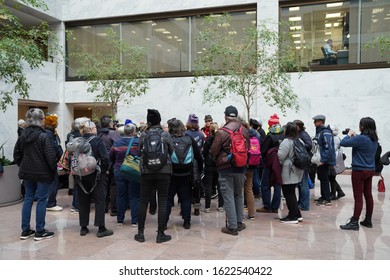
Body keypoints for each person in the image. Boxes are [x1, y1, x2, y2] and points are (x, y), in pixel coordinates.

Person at [14, 108, 57, 241]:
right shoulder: (43, 136)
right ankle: (40, 231)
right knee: (42, 200)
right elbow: (50, 157)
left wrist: (24, 165)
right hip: (42, 173)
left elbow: (16, 155)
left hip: (27, 173)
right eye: (43, 119)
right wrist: (53, 170)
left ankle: (25, 230)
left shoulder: (22, 136)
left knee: (28, 199)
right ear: (39, 120)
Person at [134, 109, 173, 243]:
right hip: (164, 171)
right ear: (160, 120)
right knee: (162, 201)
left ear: (148, 121)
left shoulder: (143, 135)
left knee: (143, 201)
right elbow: (171, 151)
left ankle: (140, 233)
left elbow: (139, 152)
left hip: (146, 171)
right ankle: (160, 234)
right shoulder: (165, 134)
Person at [210, 105, 249, 235]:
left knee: (228, 197)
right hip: (241, 167)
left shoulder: (221, 132)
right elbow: (247, 148)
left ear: (225, 116)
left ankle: (232, 227)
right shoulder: (244, 130)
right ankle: (239, 222)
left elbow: (213, 151)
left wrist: (217, 160)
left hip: (226, 168)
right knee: (238, 194)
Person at [73, 120, 113, 238]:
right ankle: (101, 228)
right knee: (100, 200)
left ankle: (84, 227)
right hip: (97, 175)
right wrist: (105, 170)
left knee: (83, 200)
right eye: (95, 127)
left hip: (80, 175)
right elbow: (105, 158)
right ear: (91, 129)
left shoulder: (77, 142)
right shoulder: (97, 140)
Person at [339, 117, 378, 230]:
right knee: (368, 195)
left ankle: (354, 222)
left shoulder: (361, 138)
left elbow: (343, 142)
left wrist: (349, 134)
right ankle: (368, 220)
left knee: (358, 197)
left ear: (363, 126)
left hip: (359, 171)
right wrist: (355, 136)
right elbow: (362, 145)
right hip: (370, 170)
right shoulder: (374, 139)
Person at [166, 118, 203, 229]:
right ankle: (187, 222)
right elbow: (198, 157)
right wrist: (199, 171)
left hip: (171, 174)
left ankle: (164, 222)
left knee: (168, 198)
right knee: (186, 198)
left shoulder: (168, 139)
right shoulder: (189, 139)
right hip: (186, 174)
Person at [109, 123, 140, 227]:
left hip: (119, 170)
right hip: (133, 171)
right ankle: (135, 221)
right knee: (134, 196)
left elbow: (111, 156)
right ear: (133, 132)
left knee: (121, 195)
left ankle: (120, 220)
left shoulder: (117, 142)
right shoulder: (137, 142)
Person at [257, 113, 284, 213]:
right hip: (280, 163)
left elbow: (263, 149)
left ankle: (267, 206)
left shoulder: (271, 135)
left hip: (269, 164)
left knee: (265, 185)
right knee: (277, 184)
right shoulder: (284, 134)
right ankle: (275, 207)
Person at [277, 122, 304, 224]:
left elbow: (280, 157)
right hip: (297, 169)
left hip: (288, 170)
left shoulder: (286, 142)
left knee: (288, 193)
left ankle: (292, 216)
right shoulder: (299, 140)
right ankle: (297, 214)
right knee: (292, 192)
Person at [98, 115, 121, 216]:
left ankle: (104, 208)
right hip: (112, 162)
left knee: (103, 186)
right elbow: (119, 145)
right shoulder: (113, 133)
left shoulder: (98, 134)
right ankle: (114, 209)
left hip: (101, 162)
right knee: (113, 185)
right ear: (110, 123)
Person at [312, 114, 336, 206]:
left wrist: (323, 160)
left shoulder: (325, 132)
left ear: (321, 122)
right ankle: (324, 196)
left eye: (315, 121)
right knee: (322, 178)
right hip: (321, 159)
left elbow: (328, 147)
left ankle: (327, 198)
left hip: (324, 160)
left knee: (325, 178)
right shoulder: (320, 131)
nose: (314, 123)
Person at [185, 113, 205, 216]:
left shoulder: (185, 134)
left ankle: (184, 207)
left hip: (187, 161)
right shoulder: (201, 134)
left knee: (186, 184)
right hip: (198, 161)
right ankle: (197, 207)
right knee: (197, 184)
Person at [203, 122, 224, 213]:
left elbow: (204, 153)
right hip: (219, 165)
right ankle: (221, 206)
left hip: (209, 165)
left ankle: (207, 207)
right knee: (220, 186)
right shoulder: (221, 140)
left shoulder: (208, 140)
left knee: (208, 186)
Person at [45, 113, 64, 212]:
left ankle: (49, 202)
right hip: (50, 163)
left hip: (48, 163)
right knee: (53, 182)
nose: (58, 123)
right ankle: (51, 203)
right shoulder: (50, 134)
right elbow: (52, 149)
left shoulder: (49, 133)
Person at [294, 120, 312, 211]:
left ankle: (304, 204)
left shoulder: (303, 135)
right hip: (302, 161)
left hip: (303, 161)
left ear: (298, 127)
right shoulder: (300, 134)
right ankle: (301, 202)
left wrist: (300, 146)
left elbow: (309, 145)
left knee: (303, 183)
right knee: (301, 183)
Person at [330, 126, 345, 200]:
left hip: (334, 161)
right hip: (335, 160)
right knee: (331, 177)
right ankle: (339, 191)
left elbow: (333, 150)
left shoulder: (335, 139)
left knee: (332, 177)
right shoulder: (337, 138)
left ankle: (334, 194)